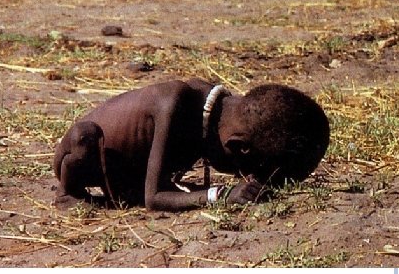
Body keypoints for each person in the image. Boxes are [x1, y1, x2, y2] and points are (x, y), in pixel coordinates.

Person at [53, 79, 330, 211]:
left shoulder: (214, 111)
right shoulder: (174, 106)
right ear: (238, 147)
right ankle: (68, 195)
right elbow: (154, 198)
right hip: (85, 156)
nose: (245, 178)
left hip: (126, 172)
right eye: (246, 171)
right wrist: (219, 195)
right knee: (83, 138)